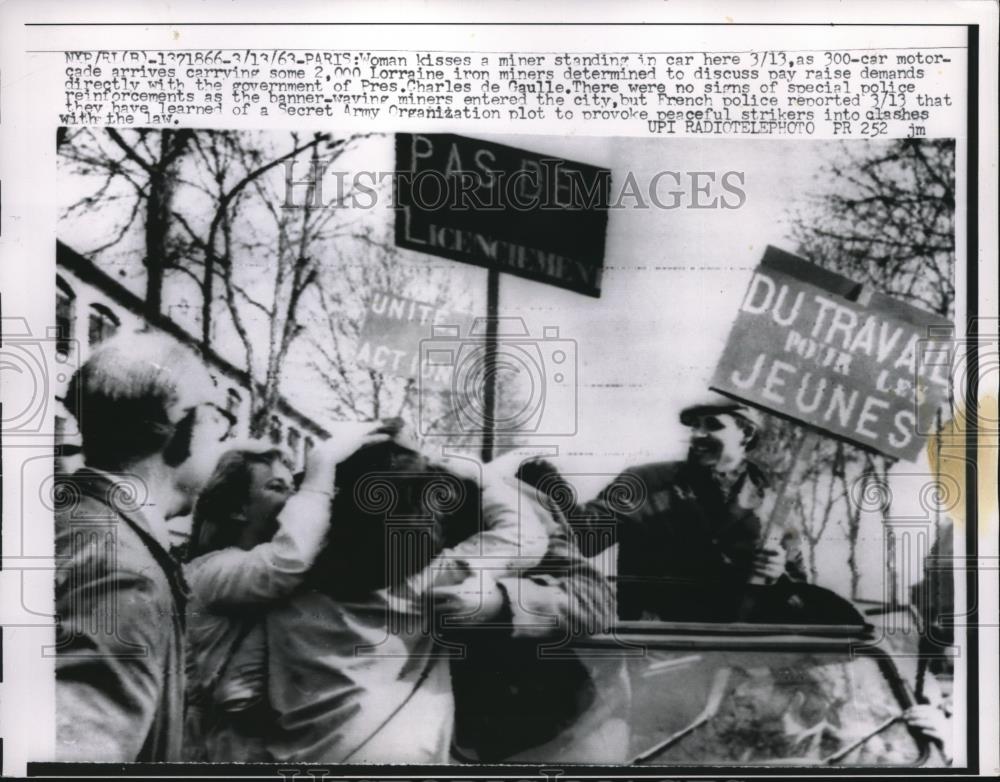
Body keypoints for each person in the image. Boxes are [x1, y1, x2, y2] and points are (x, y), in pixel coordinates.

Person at [263, 439, 550, 764]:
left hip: (295, 759)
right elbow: (528, 538)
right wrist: (483, 477)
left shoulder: (284, 572)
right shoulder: (429, 578)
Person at [54, 332, 233, 761]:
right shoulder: (124, 571)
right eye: (217, 419)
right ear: (179, 420)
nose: (223, 439)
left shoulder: (63, 518)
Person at [183, 424, 388, 761]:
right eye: (276, 487)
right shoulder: (211, 571)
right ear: (238, 508)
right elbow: (288, 560)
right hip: (216, 749)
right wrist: (322, 464)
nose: (294, 499)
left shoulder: (256, 571)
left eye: (293, 487)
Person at [522, 393, 806, 622]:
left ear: (745, 433)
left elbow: (800, 592)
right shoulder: (646, 482)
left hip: (733, 654)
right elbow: (585, 537)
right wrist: (552, 491)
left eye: (712, 425)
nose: (697, 435)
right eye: (694, 426)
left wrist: (776, 575)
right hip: (656, 646)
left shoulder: (774, 504)